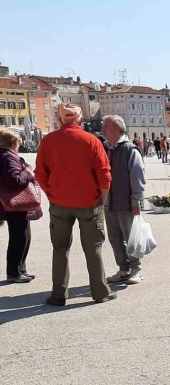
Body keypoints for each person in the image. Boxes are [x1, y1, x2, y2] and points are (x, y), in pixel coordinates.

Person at [34, 103, 115, 305]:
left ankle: (58, 294)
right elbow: (105, 174)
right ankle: (100, 292)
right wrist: (101, 198)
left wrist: (51, 194)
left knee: (59, 249)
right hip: (89, 202)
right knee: (93, 248)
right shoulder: (92, 140)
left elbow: (40, 174)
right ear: (80, 119)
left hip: (59, 203)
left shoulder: (48, 141)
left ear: (61, 119)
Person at [102, 115, 146, 285]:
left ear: (117, 128)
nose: (103, 128)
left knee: (131, 237)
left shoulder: (130, 149)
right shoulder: (105, 148)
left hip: (126, 203)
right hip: (109, 202)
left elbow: (138, 176)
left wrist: (136, 201)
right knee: (115, 238)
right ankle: (123, 269)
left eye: (107, 125)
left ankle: (137, 269)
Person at [0, 128, 42, 283]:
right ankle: (14, 272)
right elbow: (14, 180)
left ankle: (19, 269)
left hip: (11, 203)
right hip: (15, 202)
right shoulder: (8, 157)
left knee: (22, 236)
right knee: (19, 237)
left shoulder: (4, 155)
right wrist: (29, 172)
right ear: (13, 142)